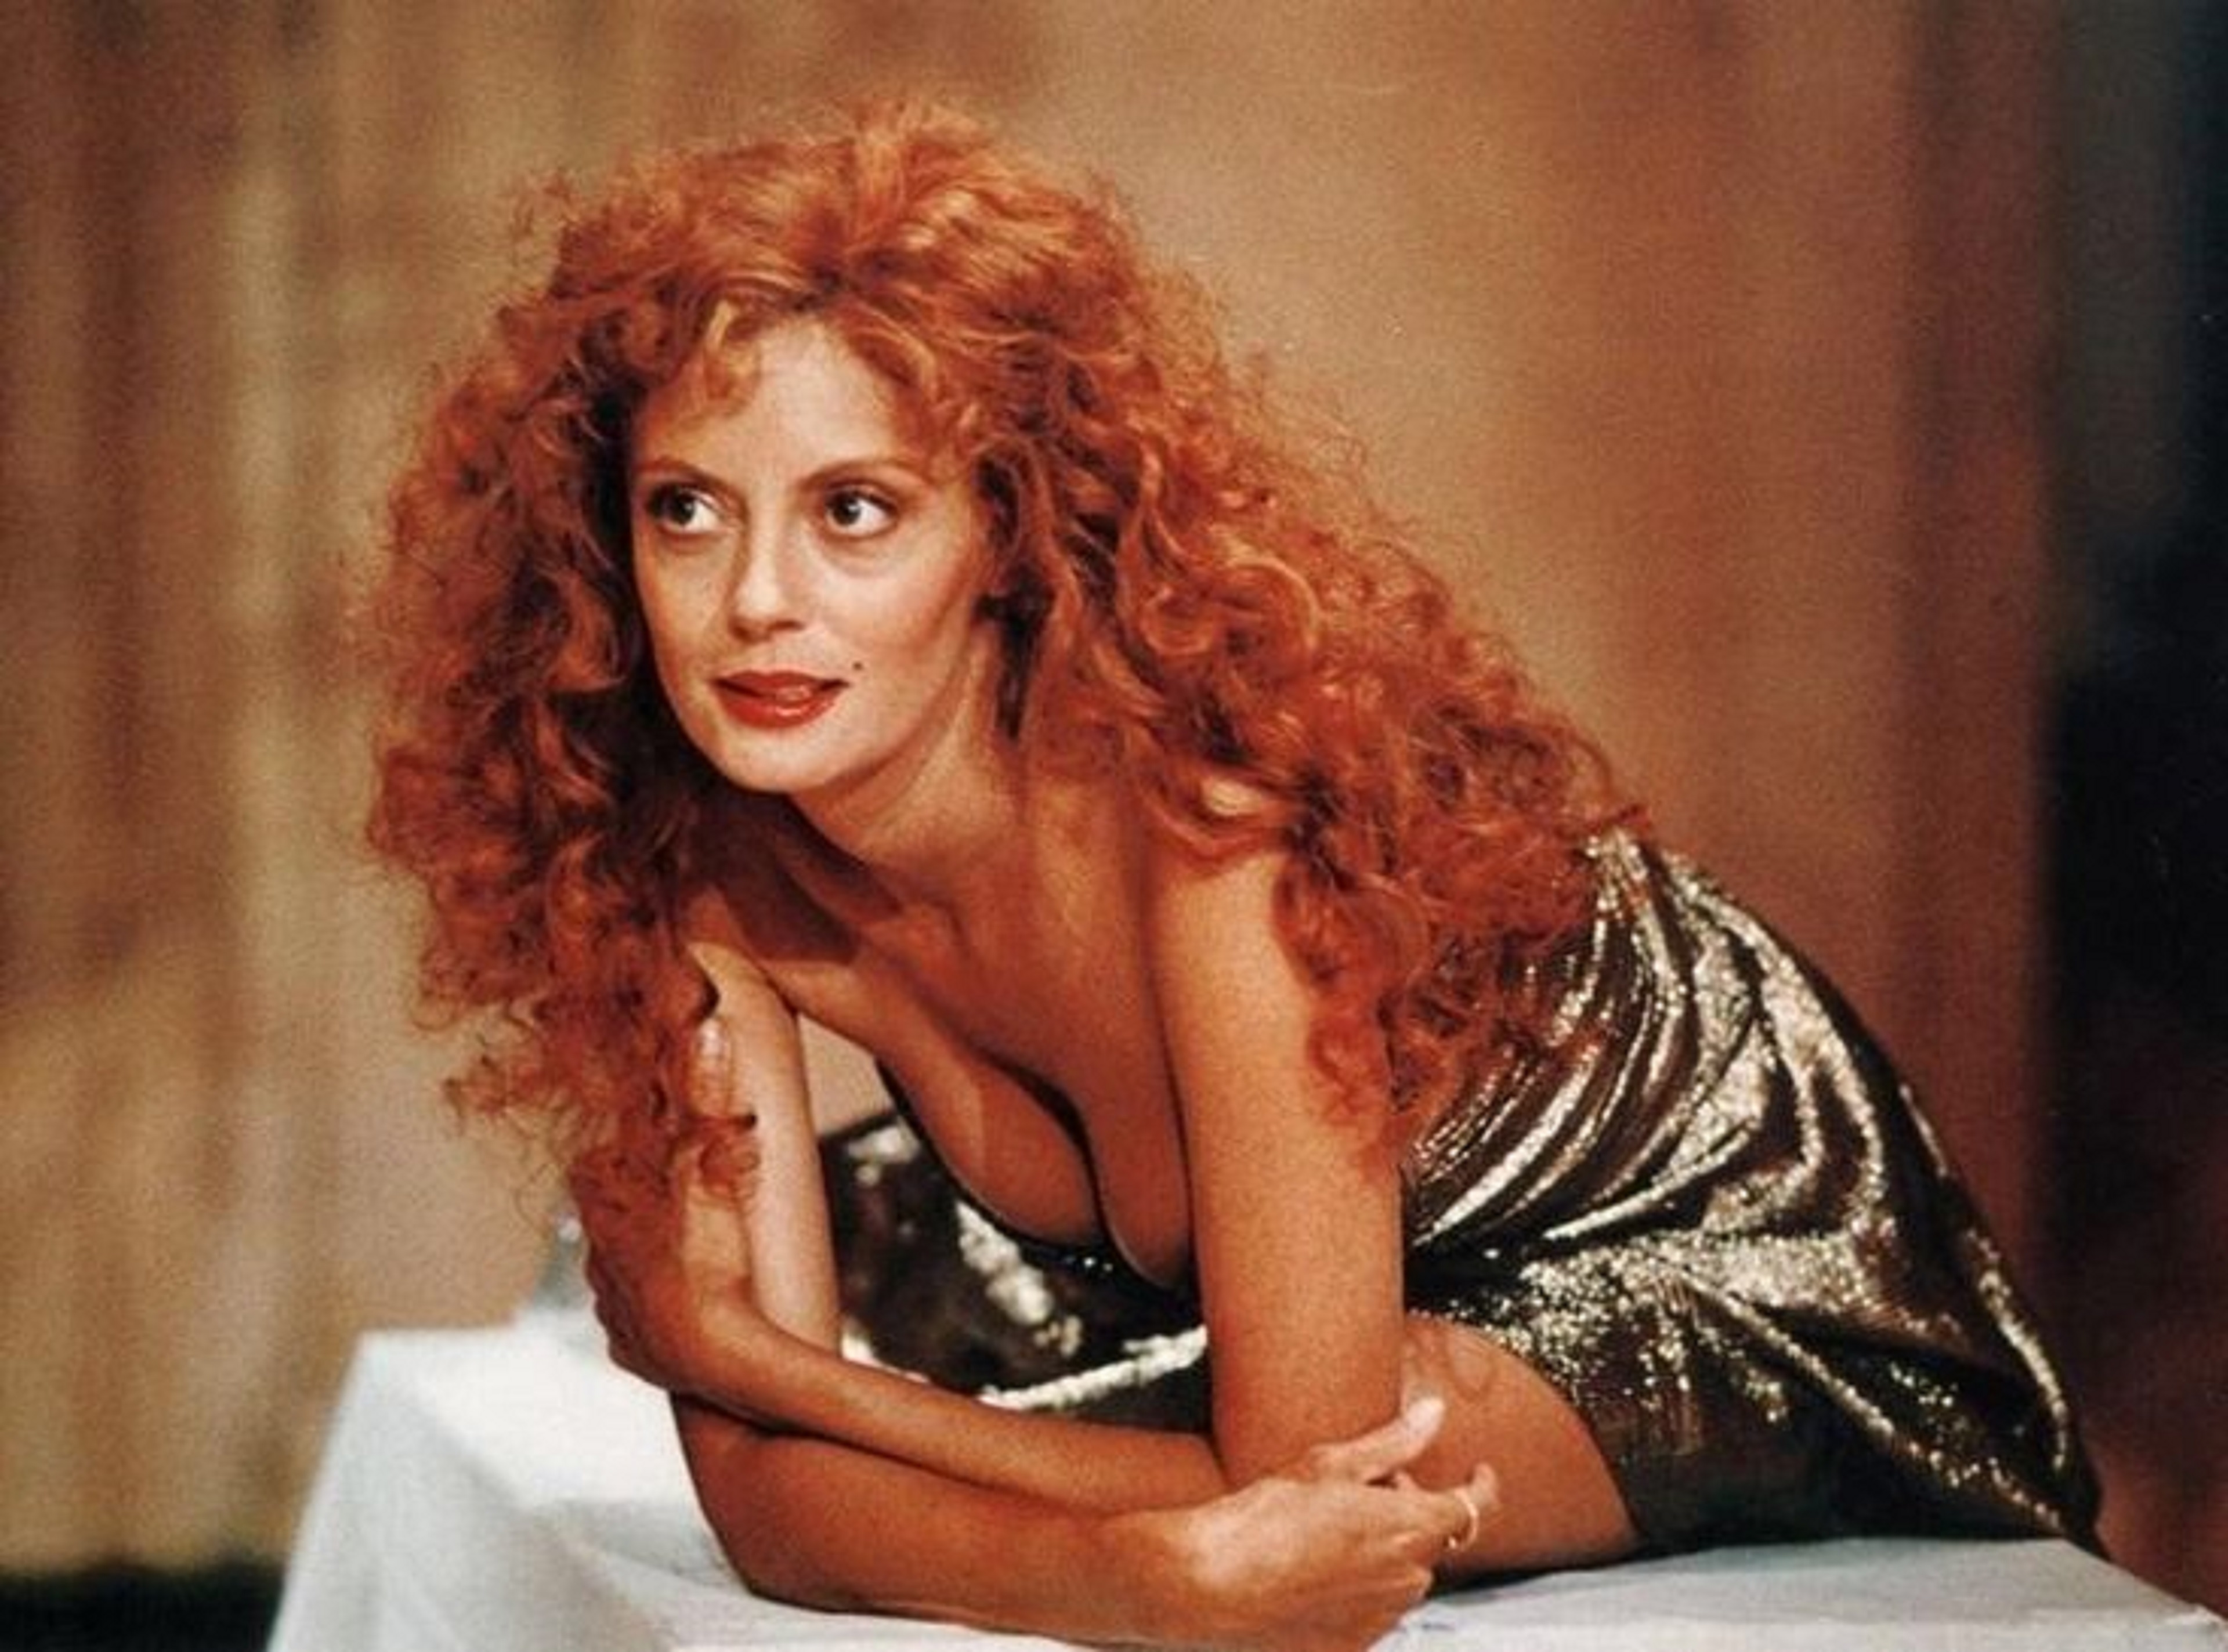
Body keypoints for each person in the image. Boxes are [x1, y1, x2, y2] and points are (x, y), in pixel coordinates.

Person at [365, 101, 2096, 1650]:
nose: (756, 602)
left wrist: (757, 1363)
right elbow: (767, 1515)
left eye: (855, 512)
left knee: (1334, 1435)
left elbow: (1291, 1484)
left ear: (1004, 533)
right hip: (1330, 1308)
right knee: (1076, 1380)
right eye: (686, 510)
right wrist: (1131, 1577)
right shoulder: (680, 869)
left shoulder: (1215, 835)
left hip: (1737, 1242)